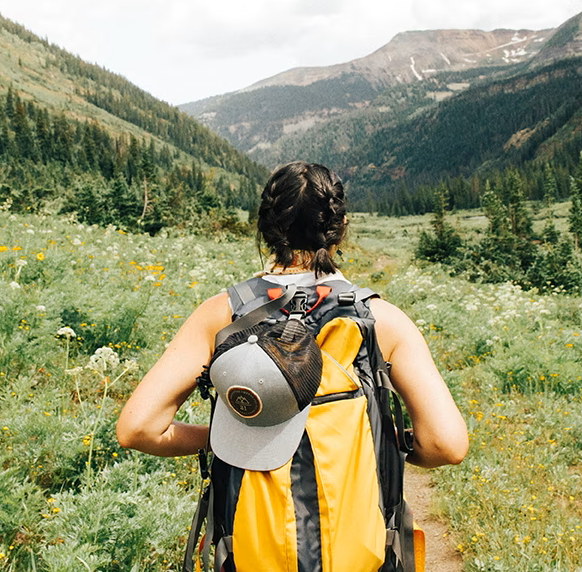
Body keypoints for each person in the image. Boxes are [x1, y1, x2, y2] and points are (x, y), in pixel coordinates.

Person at [116, 161, 467, 470]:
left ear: (265, 229)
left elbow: (138, 429)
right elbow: (445, 445)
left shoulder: (222, 313)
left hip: (248, 540)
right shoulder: (381, 318)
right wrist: (380, 445)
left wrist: (225, 440)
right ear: (341, 227)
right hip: (358, 542)